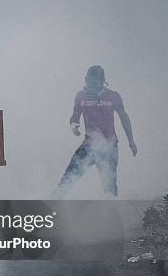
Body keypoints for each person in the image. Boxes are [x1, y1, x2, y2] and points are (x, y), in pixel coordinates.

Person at [53, 65, 137, 198]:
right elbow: (75, 115)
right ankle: (51, 206)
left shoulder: (112, 96)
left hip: (109, 146)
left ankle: (112, 213)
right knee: (68, 178)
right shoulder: (81, 96)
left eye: (94, 81)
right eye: (88, 80)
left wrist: (131, 141)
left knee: (109, 187)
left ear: (102, 81)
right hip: (89, 144)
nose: (91, 84)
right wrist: (74, 125)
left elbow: (124, 117)